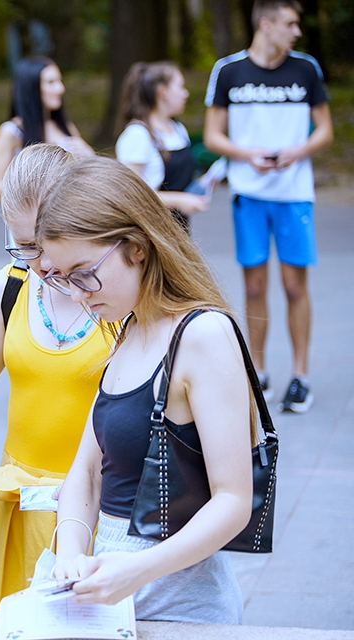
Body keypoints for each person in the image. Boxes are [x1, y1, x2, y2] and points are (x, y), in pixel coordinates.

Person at [36, 156, 254, 623]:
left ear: (135, 246)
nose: (77, 294)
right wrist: (71, 552)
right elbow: (86, 472)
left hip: (180, 605)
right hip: (108, 598)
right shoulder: (128, 326)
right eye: (62, 276)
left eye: (83, 272)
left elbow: (234, 500)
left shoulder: (203, 334)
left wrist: (135, 571)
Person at [0, 144, 113, 611]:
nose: (38, 260)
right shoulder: (11, 285)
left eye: (44, 241)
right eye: (23, 245)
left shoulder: (115, 295)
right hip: (19, 510)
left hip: (101, 510)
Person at [204, 0, 333, 412]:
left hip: (295, 194)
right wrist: (246, 155)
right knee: (254, 286)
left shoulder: (306, 68)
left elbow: (326, 128)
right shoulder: (229, 70)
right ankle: (257, 372)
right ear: (266, 24)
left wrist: (299, 150)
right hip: (250, 194)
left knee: (295, 286)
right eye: (290, 24)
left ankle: (300, 376)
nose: (297, 31)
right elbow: (212, 136)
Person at [115, 61, 211, 232]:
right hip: (152, 233)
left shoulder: (178, 130)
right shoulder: (138, 135)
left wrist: (202, 184)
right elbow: (131, 195)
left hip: (179, 230)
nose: (186, 93)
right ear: (163, 92)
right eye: (181, 87)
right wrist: (179, 200)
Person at [0, 57, 94, 202]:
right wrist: (35, 182)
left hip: (68, 217)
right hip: (33, 220)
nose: (61, 89)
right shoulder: (12, 132)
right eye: (51, 82)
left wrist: (90, 156)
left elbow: (89, 175)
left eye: (59, 81)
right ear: (31, 88)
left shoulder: (67, 128)